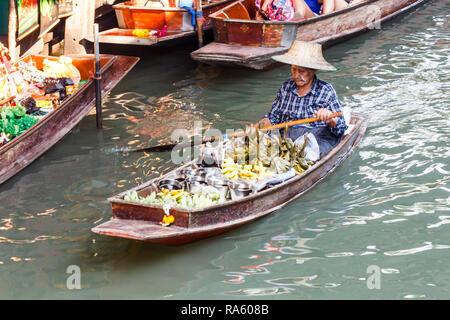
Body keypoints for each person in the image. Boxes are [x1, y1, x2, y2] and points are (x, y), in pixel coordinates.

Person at [256, 41, 347, 157]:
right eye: (293, 69)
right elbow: (274, 116)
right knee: (257, 147)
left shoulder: (326, 90)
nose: (296, 75)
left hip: (316, 136)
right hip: (286, 134)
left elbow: (341, 127)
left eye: (301, 71)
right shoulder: (286, 87)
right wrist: (263, 123)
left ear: (313, 70)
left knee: (310, 155)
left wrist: (330, 119)